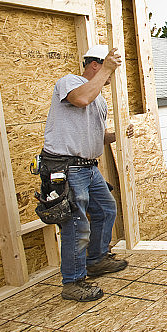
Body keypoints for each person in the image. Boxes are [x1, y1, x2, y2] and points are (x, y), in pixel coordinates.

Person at [43, 44, 131, 302]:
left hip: (88, 168)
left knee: (106, 210)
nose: (110, 79)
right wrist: (107, 69)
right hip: (65, 166)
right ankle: (73, 282)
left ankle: (96, 259)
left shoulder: (99, 98)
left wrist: (117, 136)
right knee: (76, 224)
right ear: (96, 65)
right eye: (107, 71)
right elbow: (80, 99)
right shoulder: (69, 82)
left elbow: (97, 135)